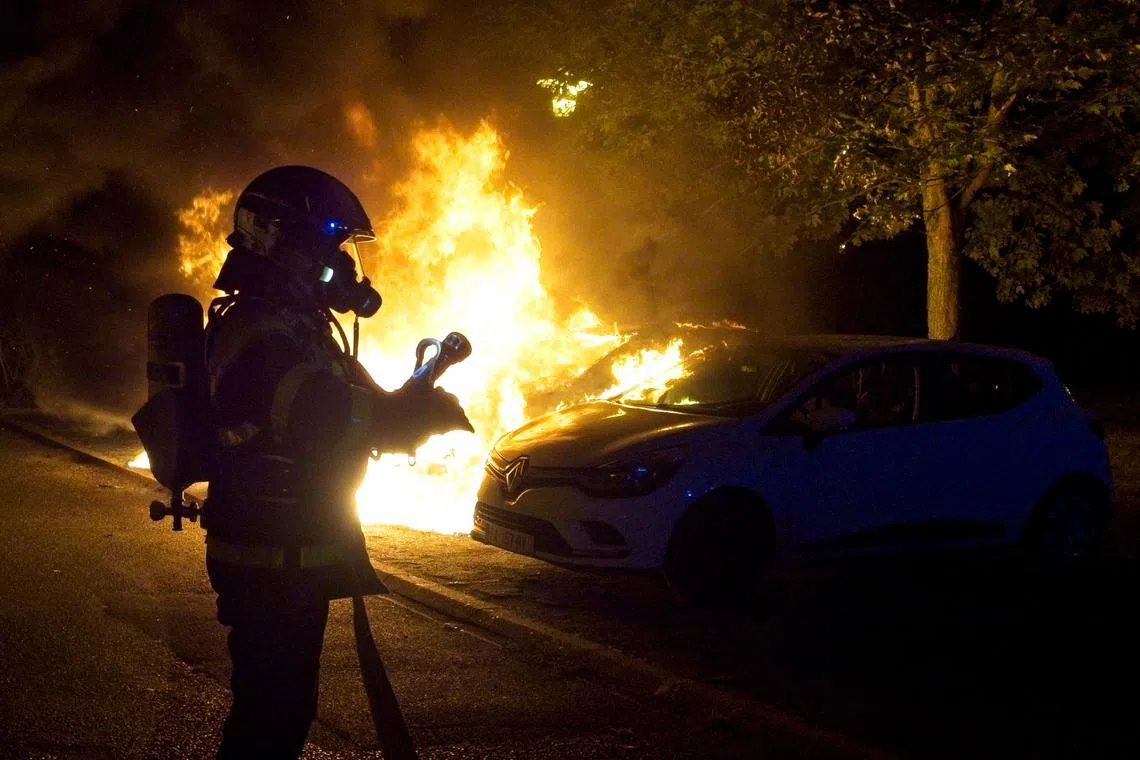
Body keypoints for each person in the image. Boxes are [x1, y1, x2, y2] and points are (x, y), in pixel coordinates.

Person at [202, 165, 472, 759]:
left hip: (295, 550)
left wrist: (421, 391)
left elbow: (367, 408)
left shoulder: (301, 328)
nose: (343, 267)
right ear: (283, 242)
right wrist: (400, 420)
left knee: (283, 709)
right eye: (329, 246)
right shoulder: (257, 331)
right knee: (270, 718)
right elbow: (323, 417)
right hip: (269, 557)